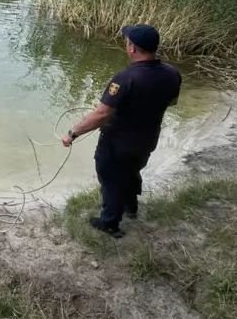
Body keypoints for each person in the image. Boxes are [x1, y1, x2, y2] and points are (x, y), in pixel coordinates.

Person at [62, 24, 181, 238]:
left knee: (110, 177)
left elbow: (101, 115)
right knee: (131, 170)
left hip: (118, 142)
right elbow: (171, 102)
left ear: (132, 48)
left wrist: (72, 134)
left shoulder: (125, 79)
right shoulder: (172, 74)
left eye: (127, 42)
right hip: (147, 139)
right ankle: (131, 207)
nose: (126, 45)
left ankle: (109, 223)